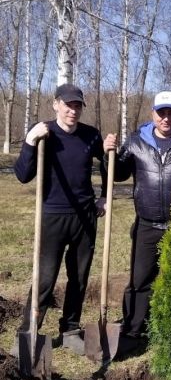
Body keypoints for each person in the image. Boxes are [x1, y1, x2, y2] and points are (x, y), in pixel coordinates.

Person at [103, 90, 171, 343]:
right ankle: (133, 330)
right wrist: (107, 154)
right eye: (161, 112)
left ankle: (170, 331)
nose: (166, 118)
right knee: (139, 279)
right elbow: (117, 173)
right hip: (146, 224)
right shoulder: (136, 141)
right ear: (152, 114)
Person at [14, 84, 107, 343]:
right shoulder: (44, 132)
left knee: (79, 277)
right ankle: (28, 331)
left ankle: (70, 329)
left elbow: (108, 162)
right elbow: (23, 175)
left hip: (85, 217)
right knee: (45, 278)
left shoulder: (91, 135)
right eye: (68, 105)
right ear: (55, 104)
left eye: (77, 106)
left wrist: (103, 197)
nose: (72, 111)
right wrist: (31, 141)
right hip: (52, 215)